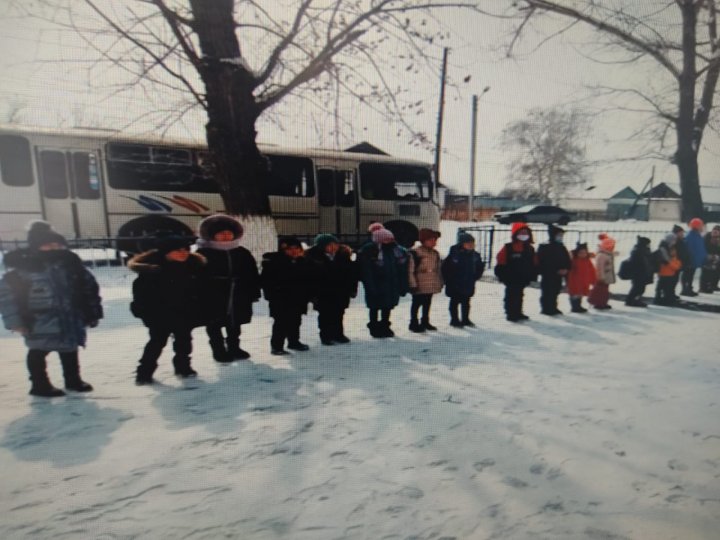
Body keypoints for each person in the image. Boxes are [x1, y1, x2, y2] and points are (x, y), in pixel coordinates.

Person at [0, 221, 102, 397]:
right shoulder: (23, 270)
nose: (54, 249)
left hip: (70, 317)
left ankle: (73, 380)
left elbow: (89, 289)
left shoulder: (71, 266)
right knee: (38, 351)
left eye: (57, 245)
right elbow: (7, 298)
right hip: (37, 319)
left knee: (69, 349)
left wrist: (92, 312)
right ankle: (39, 384)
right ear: (36, 247)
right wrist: (15, 321)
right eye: (47, 245)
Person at [129, 233, 209, 384]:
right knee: (157, 342)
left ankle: (183, 367)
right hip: (160, 315)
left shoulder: (192, 267)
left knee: (184, 341)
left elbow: (199, 290)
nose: (183, 253)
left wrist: (199, 307)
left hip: (184, 313)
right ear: (166, 252)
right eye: (178, 250)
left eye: (186, 249)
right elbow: (141, 296)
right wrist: (145, 313)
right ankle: (144, 372)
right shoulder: (152, 271)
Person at [195, 215, 260, 362]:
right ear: (212, 235)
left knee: (235, 322)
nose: (226, 236)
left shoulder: (241, 252)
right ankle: (218, 350)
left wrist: (253, 292)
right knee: (214, 323)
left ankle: (234, 347)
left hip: (238, 293)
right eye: (221, 233)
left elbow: (252, 272)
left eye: (229, 233)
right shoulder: (204, 252)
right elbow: (196, 276)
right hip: (213, 294)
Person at [260, 236, 315, 355]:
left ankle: (294, 341)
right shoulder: (274, 262)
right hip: (281, 299)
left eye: (296, 248)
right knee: (281, 323)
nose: (294, 251)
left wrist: (309, 294)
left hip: (298, 298)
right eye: (289, 249)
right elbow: (266, 282)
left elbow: (309, 279)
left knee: (295, 321)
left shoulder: (303, 261)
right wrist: (272, 295)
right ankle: (277, 346)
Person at [305, 234, 358, 345]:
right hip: (323, 292)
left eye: (335, 245)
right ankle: (326, 336)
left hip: (341, 291)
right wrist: (312, 294)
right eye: (330, 245)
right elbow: (309, 278)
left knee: (339, 313)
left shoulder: (343, 255)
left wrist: (352, 289)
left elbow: (351, 274)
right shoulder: (314, 258)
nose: (333, 247)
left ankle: (338, 334)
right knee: (325, 315)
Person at [357, 226, 409, 338]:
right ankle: (374, 326)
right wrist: (371, 286)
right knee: (374, 307)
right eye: (386, 239)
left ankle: (385, 325)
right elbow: (367, 271)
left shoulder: (395, 250)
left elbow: (401, 269)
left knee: (387, 306)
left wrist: (402, 285)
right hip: (376, 285)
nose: (389, 241)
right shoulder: (371, 251)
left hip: (391, 285)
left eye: (390, 238)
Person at [494, 222, 538, 322]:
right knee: (511, 295)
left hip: (523, 277)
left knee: (520, 294)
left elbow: (534, 262)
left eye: (526, 233)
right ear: (516, 234)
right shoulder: (508, 247)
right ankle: (510, 313)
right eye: (521, 233)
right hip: (511, 278)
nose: (524, 235)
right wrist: (502, 275)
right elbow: (501, 260)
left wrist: (533, 275)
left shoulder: (530, 249)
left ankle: (518, 312)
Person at [441, 232, 485, 327]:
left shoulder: (475, 255)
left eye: (472, 243)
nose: (471, 245)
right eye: (468, 243)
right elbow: (445, 268)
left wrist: (475, 276)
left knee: (466, 302)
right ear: (462, 244)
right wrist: (448, 279)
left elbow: (480, 267)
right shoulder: (454, 254)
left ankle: (465, 319)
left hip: (468, 283)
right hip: (455, 283)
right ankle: (454, 320)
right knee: (454, 302)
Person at [407, 228, 444, 332]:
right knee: (416, 303)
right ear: (424, 241)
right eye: (431, 240)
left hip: (431, 282)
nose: (434, 243)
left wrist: (440, 281)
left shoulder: (435, 253)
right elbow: (410, 270)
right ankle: (413, 323)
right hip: (419, 283)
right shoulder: (416, 253)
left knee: (427, 303)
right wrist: (412, 283)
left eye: (435, 240)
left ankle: (425, 321)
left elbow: (438, 269)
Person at [537, 225, 571, 316]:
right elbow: (544, 262)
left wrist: (566, 268)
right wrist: (555, 270)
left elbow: (567, 259)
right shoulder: (545, 246)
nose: (561, 237)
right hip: (548, 274)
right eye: (559, 235)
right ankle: (546, 308)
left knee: (556, 290)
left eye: (562, 235)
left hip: (559, 275)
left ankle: (553, 307)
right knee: (547, 291)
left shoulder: (561, 247)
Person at [624, 236, 654, 307]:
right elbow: (638, 263)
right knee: (637, 288)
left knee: (641, 288)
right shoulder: (638, 251)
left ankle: (635, 300)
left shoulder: (643, 250)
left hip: (643, 273)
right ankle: (630, 300)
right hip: (638, 273)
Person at [567, 242, 596, 313]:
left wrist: (593, 280)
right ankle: (574, 307)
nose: (583, 254)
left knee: (580, 294)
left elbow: (592, 270)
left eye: (584, 253)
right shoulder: (574, 261)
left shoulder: (587, 260)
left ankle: (578, 306)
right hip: (575, 281)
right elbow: (570, 271)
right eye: (581, 253)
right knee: (575, 294)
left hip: (584, 281)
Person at [589, 234, 616, 310]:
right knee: (600, 291)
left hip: (606, 276)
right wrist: (601, 277)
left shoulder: (608, 254)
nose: (612, 247)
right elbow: (599, 267)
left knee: (604, 291)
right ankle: (598, 303)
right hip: (602, 277)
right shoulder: (602, 255)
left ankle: (603, 302)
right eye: (611, 246)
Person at [654, 234, 683, 305]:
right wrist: (676, 266)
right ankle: (663, 300)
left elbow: (672, 259)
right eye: (674, 240)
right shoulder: (664, 248)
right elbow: (667, 261)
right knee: (665, 287)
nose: (675, 241)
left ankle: (665, 299)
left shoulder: (669, 247)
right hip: (665, 271)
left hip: (669, 271)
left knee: (666, 287)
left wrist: (677, 264)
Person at [681, 218, 707, 296]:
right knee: (687, 275)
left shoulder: (696, 235)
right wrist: (690, 259)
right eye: (701, 226)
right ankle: (686, 289)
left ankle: (689, 288)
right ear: (697, 226)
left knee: (690, 275)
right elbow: (690, 249)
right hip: (691, 260)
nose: (702, 227)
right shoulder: (691, 236)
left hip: (694, 260)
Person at [670, 225, 689, 301]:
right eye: (681, 233)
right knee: (672, 279)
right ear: (677, 233)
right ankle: (670, 293)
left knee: (675, 279)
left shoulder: (681, 240)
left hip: (678, 263)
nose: (682, 234)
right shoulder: (674, 241)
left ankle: (672, 293)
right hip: (675, 263)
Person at [699, 225, 720, 293]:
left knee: (714, 272)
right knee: (705, 272)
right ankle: (703, 288)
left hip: (716, 257)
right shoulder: (707, 236)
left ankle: (712, 286)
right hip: (707, 256)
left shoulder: (718, 238)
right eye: (714, 232)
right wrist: (708, 255)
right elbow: (704, 247)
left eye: (717, 232)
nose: (715, 234)